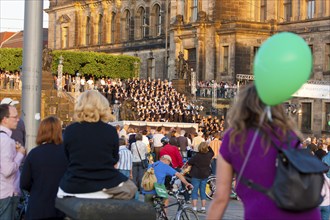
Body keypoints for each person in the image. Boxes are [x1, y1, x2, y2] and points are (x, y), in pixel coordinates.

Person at [206, 83, 321, 219]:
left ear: (242, 107)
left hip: (263, 214)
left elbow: (221, 198)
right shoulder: (289, 134)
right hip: (306, 213)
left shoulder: (235, 138)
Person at [57, 90, 137, 200]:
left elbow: (66, 157)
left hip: (74, 184)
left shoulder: (70, 130)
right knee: (132, 189)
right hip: (106, 182)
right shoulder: (110, 131)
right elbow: (114, 159)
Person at [20, 116, 68, 220]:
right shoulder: (67, 153)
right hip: (61, 207)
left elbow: (24, 182)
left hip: (38, 207)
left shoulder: (34, 154)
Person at [0, 104, 26, 220]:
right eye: (14, 117)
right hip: (6, 195)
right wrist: (20, 154)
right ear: (5, 119)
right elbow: (7, 170)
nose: (18, 119)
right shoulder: (6, 141)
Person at [188, 142, 214, 213]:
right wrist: (208, 146)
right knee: (202, 191)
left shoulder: (196, 156)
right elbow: (212, 152)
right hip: (205, 175)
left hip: (196, 175)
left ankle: (194, 208)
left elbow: (189, 162)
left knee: (194, 191)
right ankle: (203, 208)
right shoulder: (209, 155)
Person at [131, 133, 147, 200]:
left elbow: (132, 151)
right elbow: (146, 152)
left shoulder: (133, 144)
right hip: (141, 161)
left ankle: (134, 189)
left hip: (134, 160)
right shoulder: (144, 144)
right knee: (141, 176)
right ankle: (141, 189)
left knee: (134, 176)